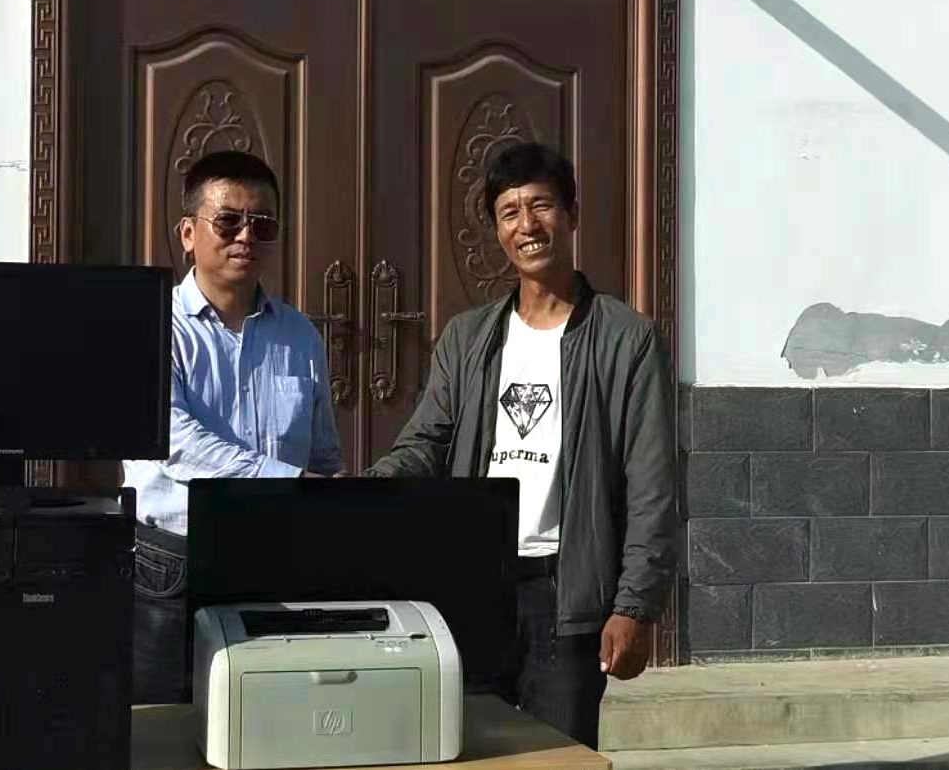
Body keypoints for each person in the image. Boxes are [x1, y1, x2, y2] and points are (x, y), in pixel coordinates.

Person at [363, 141, 677, 748]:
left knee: (555, 756)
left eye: (541, 206)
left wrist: (634, 606)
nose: (527, 225)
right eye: (509, 212)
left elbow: (652, 486)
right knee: (464, 750)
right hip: (472, 589)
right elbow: (427, 441)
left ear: (572, 214)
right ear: (496, 229)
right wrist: (371, 486)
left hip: (565, 595)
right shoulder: (468, 338)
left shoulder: (627, 340)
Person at [123, 149, 343, 704]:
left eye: (262, 225)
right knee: (162, 723)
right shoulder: (151, 325)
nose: (246, 236)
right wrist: (287, 482)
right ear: (188, 233)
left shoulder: (300, 336)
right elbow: (172, 442)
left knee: (267, 718)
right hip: (172, 563)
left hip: (276, 562)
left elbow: (322, 454)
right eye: (228, 221)